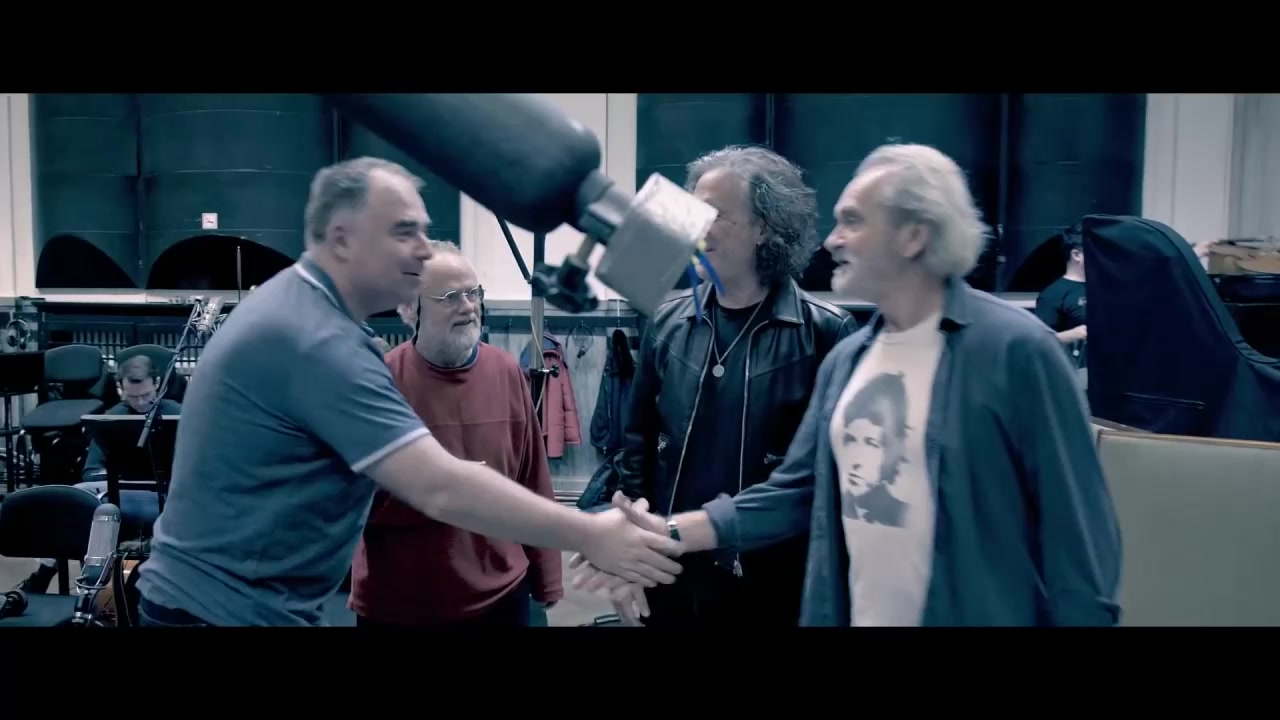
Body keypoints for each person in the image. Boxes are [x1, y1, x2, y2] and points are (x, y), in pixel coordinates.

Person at [577, 143, 1122, 627]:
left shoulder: (1017, 351)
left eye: (854, 222)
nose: (833, 240)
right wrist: (658, 536)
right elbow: (797, 492)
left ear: (913, 234)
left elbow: (1079, 543)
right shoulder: (852, 359)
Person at [131, 156, 684, 627]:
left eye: (423, 230)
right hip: (219, 610)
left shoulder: (306, 314)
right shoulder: (316, 339)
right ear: (342, 239)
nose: (423, 251)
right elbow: (439, 487)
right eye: (403, 232)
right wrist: (591, 532)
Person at [611, 144, 855, 626]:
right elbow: (636, 446)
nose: (697, 226)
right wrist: (631, 547)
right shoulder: (667, 322)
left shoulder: (825, 332)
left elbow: (825, 481)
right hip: (672, 563)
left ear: (765, 228)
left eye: (717, 214)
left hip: (773, 577)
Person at [348, 241, 564, 628]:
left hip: (499, 597)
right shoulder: (380, 382)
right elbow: (349, 501)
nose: (467, 306)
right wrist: (441, 489)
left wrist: (548, 575)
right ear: (411, 308)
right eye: (450, 297)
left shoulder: (506, 372)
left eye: (473, 293)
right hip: (399, 601)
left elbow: (533, 479)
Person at [14, 353, 181, 594]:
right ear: (120, 388)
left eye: (146, 395)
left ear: (157, 384)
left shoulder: (179, 414)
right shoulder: (110, 418)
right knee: (73, 498)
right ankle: (48, 575)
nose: (141, 403)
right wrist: (115, 480)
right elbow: (91, 471)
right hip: (120, 492)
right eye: (133, 397)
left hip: (168, 495)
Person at [1034, 224, 1088, 368]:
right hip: (1072, 373)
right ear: (1076, 255)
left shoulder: (1102, 289)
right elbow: (1039, 343)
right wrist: (1073, 334)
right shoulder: (1053, 294)